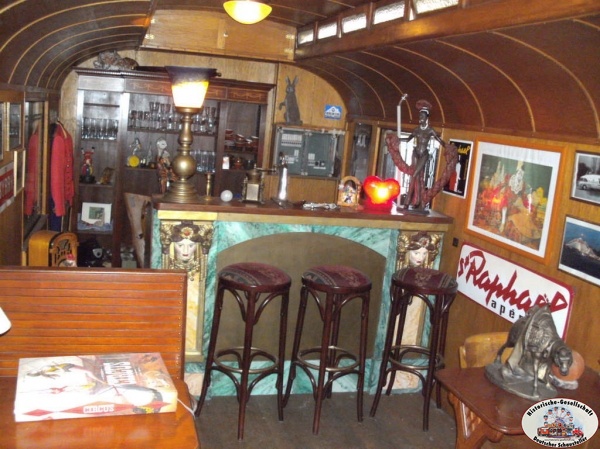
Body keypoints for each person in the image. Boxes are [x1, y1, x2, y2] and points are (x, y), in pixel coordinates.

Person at [402, 100, 446, 209]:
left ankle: (407, 202)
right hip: (415, 153)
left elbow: (439, 140)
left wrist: (447, 146)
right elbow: (407, 139)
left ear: (426, 118)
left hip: (424, 154)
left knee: (414, 175)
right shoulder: (416, 130)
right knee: (416, 176)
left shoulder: (430, 130)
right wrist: (397, 139)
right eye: (420, 116)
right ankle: (416, 201)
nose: (420, 118)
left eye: (422, 116)